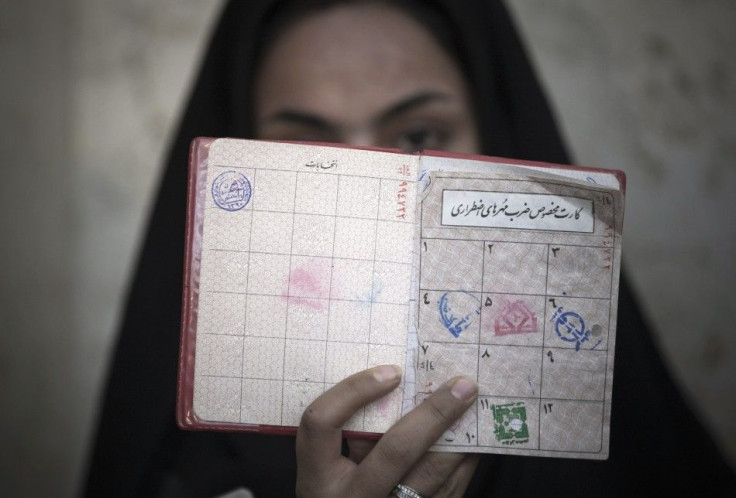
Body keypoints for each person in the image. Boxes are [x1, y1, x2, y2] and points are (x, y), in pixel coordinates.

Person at [82, 1, 736, 497]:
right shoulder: (181, 472)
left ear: (495, 134)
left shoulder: (624, 452)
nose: (374, 193)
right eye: (306, 147)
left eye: (420, 134)